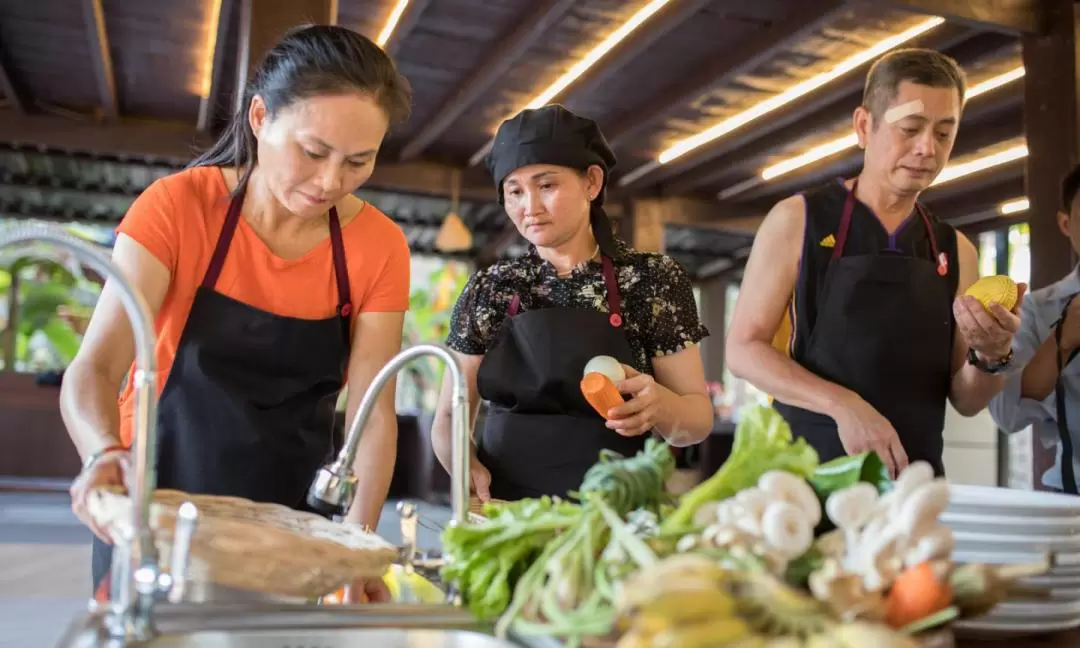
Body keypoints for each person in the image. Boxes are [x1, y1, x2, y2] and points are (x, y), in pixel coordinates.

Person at [60, 25, 412, 602]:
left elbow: (373, 414)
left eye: (358, 161)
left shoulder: (378, 246)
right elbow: (94, 368)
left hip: (292, 534)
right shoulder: (178, 208)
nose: (330, 182)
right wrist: (102, 453)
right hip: (157, 511)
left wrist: (358, 541)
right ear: (259, 118)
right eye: (313, 151)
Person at [726, 48, 1024, 479]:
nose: (927, 148)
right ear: (864, 126)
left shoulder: (956, 249)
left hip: (913, 488)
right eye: (910, 128)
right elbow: (742, 350)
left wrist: (993, 355)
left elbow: (967, 398)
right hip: (804, 484)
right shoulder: (798, 220)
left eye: (944, 134)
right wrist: (843, 405)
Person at [429, 104, 714, 502]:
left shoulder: (652, 279)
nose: (530, 207)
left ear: (592, 183)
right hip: (507, 513)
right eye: (515, 191)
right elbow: (448, 418)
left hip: (617, 511)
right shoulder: (491, 289)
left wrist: (661, 407)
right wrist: (467, 466)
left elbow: (697, 420)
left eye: (546, 185)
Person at [989, 165, 1080, 494]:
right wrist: (1062, 341)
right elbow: (1007, 416)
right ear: (1067, 223)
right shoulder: (1041, 309)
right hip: (1073, 498)